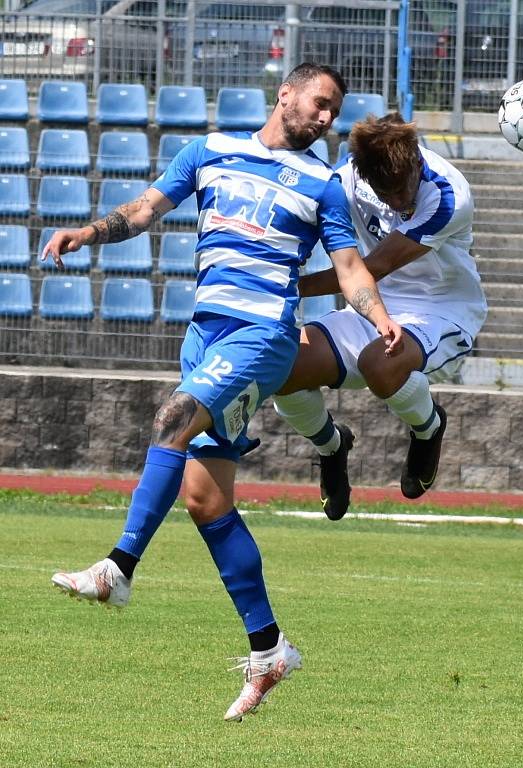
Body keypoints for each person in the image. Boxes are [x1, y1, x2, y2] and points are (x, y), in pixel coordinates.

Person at [45, 63, 403, 722]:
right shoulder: (209, 151)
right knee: (205, 499)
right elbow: (145, 208)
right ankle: (268, 650)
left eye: (334, 112)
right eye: (320, 104)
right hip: (204, 338)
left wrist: (377, 316)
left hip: (262, 337)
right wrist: (89, 234)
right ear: (286, 93)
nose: (326, 119)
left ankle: (117, 569)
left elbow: (350, 268)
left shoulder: (323, 184)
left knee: (172, 421)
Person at [271, 112, 488, 520]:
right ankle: (331, 446)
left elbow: (369, 269)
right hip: (372, 306)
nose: (397, 202)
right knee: (279, 365)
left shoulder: (447, 195)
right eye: (385, 194)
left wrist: (292, 286)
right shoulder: (347, 179)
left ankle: (428, 429)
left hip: (441, 313)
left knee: (378, 363)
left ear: (415, 162)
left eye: (403, 190)